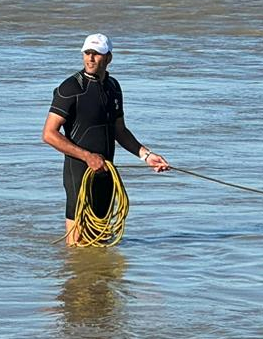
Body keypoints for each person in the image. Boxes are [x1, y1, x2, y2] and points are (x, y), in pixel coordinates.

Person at [42, 32, 169, 246]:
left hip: (106, 171)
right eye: (87, 53)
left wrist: (146, 156)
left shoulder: (113, 87)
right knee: (78, 244)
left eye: (96, 54)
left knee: (102, 241)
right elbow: (49, 134)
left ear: (108, 57)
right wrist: (87, 156)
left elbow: (120, 130)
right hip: (79, 173)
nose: (90, 58)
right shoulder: (71, 88)